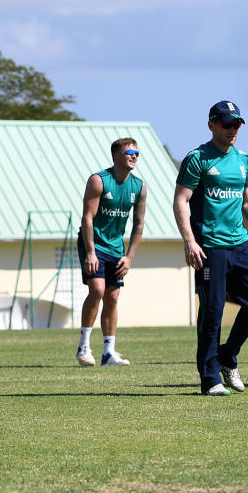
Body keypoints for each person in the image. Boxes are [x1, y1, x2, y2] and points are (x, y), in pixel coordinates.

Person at [173, 101, 248, 396]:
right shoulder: (198, 158)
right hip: (210, 247)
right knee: (212, 311)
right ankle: (210, 378)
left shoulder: (243, 160)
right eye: (227, 124)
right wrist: (190, 241)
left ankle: (227, 355)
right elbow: (180, 201)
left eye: (237, 124)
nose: (233, 130)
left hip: (240, 244)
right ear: (212, 124)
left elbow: (246, 201)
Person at [74, 138, 147, 367]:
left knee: (113, 297)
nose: (134, 156)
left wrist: (129, 257)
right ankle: (84, 348)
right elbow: (87, 218)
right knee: (97, 290)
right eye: (129, 152)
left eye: (137, 152)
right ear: (116, 155)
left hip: (117, 249)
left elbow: (139, 224)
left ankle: (109, 353)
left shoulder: (139, 186)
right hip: (94, 244)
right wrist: (91, 252)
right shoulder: (98, 181)